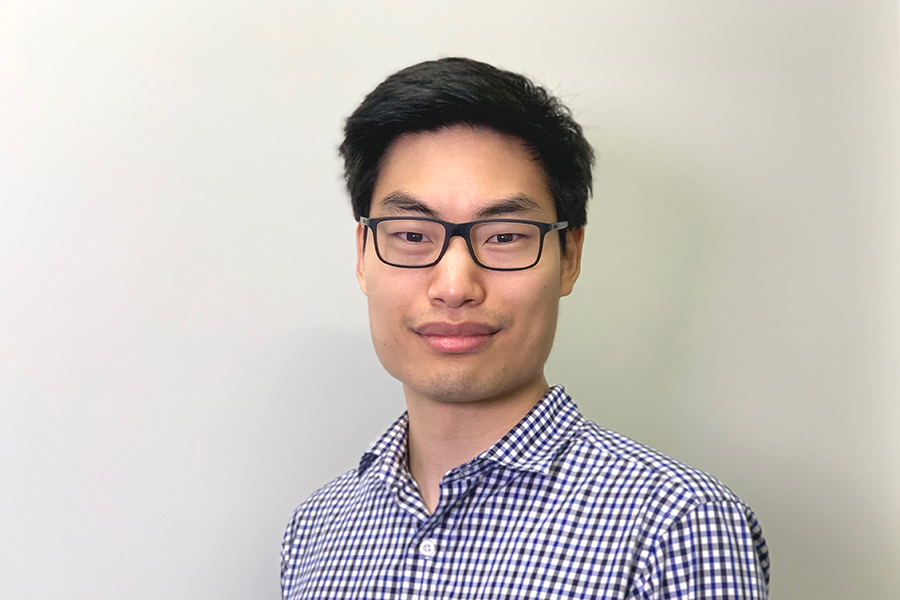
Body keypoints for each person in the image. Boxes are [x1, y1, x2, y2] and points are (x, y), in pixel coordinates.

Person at [281, 57, 769, 599]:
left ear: (570, 257)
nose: (454, 286)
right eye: (413, 235)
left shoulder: (677, 527)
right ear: (363, 256)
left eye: (505, 236)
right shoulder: (316, 531)